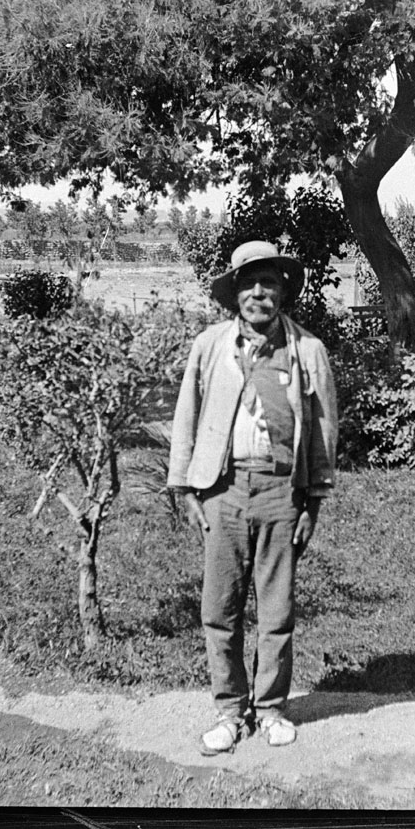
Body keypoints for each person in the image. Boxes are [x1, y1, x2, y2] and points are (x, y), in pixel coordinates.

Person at [167, 240, 339, 756]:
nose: (258, 293)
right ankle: (228, 711)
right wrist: (186, 487)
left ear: (283, 292)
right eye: (249, 283)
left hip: (280, 491)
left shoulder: (307, 350)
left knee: (276, 609)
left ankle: (270, 710)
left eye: (268, 283)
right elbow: (187, 417)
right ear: (235, 292)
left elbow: (324, 430)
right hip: (222, 490)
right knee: (219, 608)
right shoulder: (210, 345)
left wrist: (312, 501)